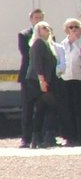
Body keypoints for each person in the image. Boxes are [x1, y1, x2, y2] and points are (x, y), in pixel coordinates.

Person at [24, 21, 59, 148]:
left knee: (41, 108)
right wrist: (41, 80)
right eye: (44, 27)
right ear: (38, 31)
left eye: (48, 27)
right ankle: (48, 135)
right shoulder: (38, 43)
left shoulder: (47, 44)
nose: (47, 29)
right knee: (52, 105)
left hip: (42, 80)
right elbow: (37, 63)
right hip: (37, 80)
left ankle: (36, 137)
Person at [59, 18, 81, 147]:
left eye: (76, 27)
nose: (73, 29)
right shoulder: (63, 43)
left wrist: (76, 40)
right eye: (70, 27)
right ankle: (70, 137)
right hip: (66, 79)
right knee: (68, 109)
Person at [18, 8, 46, 148]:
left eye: (41, 17)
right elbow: (26, 53)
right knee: (28, 108)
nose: (38, 20)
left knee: (43, 107)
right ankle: (26, 138)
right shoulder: (24, 34)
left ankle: (41, 136)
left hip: (44, 76)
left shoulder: (48, 34)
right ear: (31, 19)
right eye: (36, 18)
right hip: (28, 76)